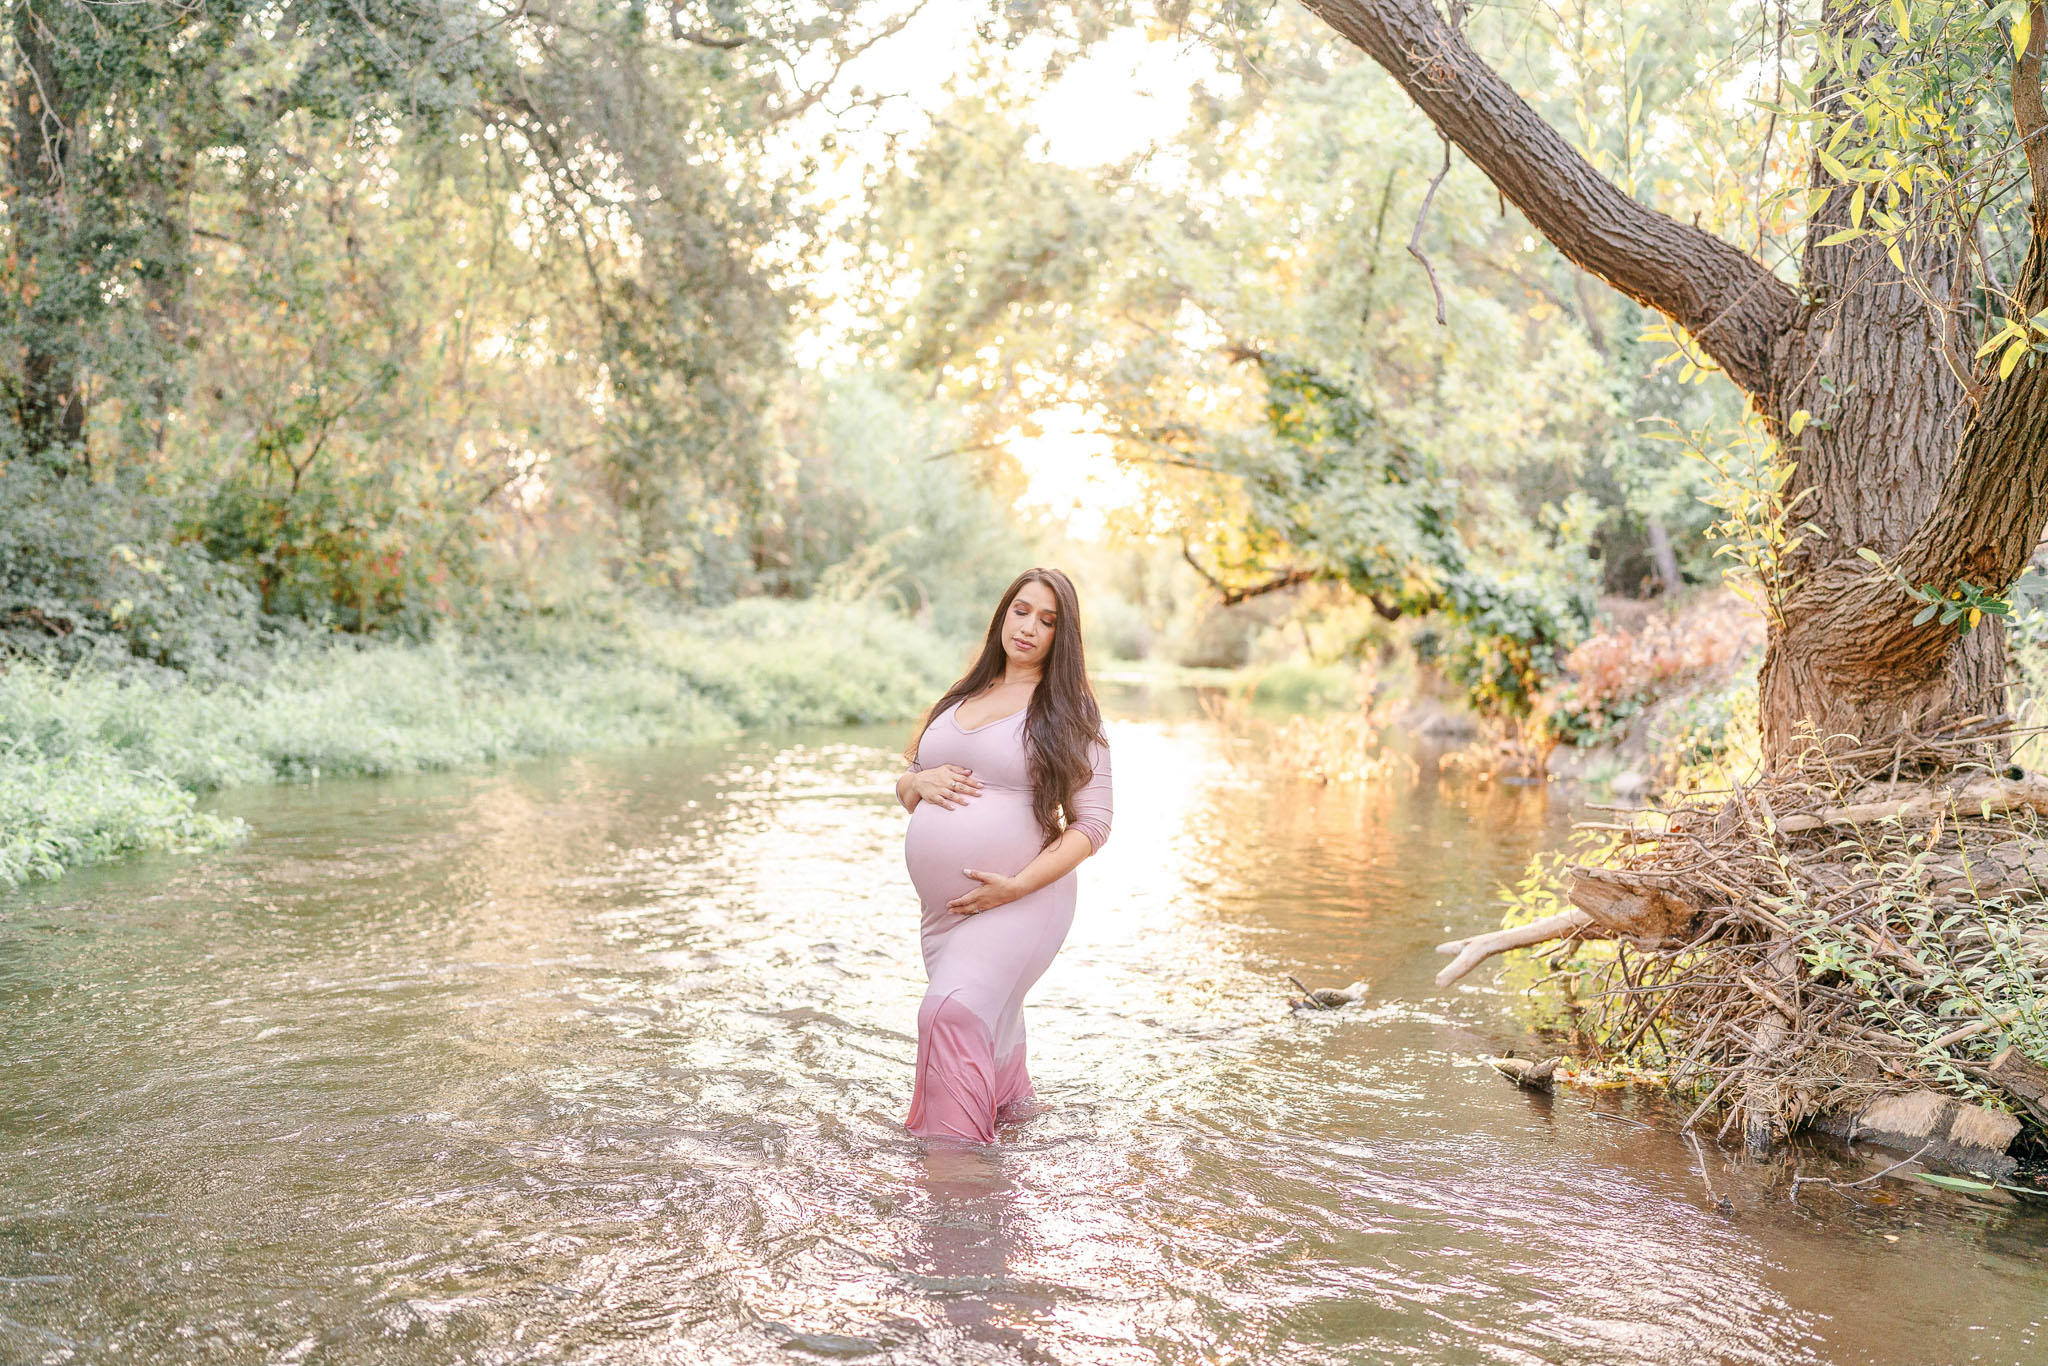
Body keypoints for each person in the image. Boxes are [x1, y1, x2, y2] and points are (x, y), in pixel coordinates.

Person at [893, 567, 1113, 1142]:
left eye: (1048, 621)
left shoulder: (1069, 713)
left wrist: (1016, 886)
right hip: (947, 914)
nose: (1029, 627)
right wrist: (917, 783)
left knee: (950, 1013)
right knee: (989, 1027)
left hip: (1022, 900)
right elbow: (908, 783)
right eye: (1021, 610)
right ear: (1003, 614)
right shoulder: (967, 693)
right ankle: (1015, 1145)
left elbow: (1094, 823)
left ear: (1063, 638)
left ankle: (955, 1171)